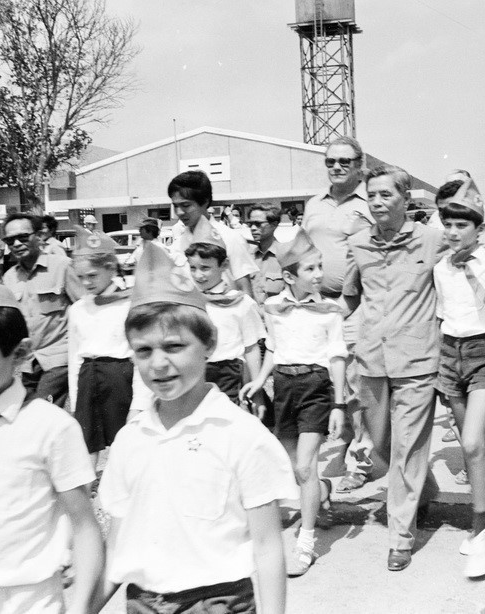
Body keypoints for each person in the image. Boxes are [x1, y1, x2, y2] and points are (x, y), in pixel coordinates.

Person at [97, 241, 297, 614]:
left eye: (174, 346)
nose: (158, 364)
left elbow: (268, 546)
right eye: (144, 351)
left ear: (209, 343)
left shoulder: (241, 434)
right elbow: (118, 547)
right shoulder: (130, 440)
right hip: (143, 601)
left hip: (217, 601)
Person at [0, 267, 102, 614]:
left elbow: (84, 526)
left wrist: (81, 607)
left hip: (30, 601)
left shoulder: (50, 427)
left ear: (19, 354)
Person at [343, 164, 446, 571]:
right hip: (371, 359)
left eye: (386, 194)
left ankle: (400, 536)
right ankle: (424, 491)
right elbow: (351, 295)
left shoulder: (433, 240)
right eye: (371, 195)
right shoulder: (358, 244)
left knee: (408, 447)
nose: (377, 201)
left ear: (406, 198)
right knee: (383, 445)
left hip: (417, 359)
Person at [242, 230, 346, 577]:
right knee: (294, 468)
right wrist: (260, 380)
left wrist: (339, 404)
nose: (319, 274)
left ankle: (306, 542)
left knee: (303, 467)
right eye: (310, 269)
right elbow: (273, 347)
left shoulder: (330, 310)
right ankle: (322, 489)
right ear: (289, 277)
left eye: (320, 267)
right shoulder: (273, 307)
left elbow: (337, 356)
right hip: (285, 386)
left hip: (316, 386)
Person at [432, 178, 485, 577]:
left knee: (475, 442)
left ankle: (481, 530)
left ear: (479, 228)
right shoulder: (441, 267)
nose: (452, 231)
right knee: (468, 447)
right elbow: (442, 316)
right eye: (447, 224)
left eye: (461, 225)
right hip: (451, 355)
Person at [302, 135, 376, 493]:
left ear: (359, 165)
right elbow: (305, 251)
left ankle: (361, 461)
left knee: (357, 386)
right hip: (320, 304)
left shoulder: (369, 202)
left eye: (344, 161)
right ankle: (343, 441)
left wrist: (347, 303)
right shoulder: (313, 204)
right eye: (330, 161)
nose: (336, 167)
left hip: (355, 305)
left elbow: (371, 257)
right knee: (330, 380)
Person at [68, 226, 136, 468]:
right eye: (81, 277)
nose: (86, 282)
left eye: (92, 275)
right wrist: (76, 397)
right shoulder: (77, 309)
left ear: (111, 268)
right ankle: (87, 486)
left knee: (124, 442)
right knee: (86, 443)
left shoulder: (128, 304)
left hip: (119, 379)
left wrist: (139, 402)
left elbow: (137, 354)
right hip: (88, 377)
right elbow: (74, 357)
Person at [2, 213, 82, 407]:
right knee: (24, 411)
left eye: (23, 237)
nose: (17, 244)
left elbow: (84, 307)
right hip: (28, 362)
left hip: (58, 357)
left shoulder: (61, 266)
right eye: (10, 240)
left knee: (42, 408)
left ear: (38, 236)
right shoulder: (10, 277)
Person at [184, 216, 265, 405]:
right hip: (194, 373)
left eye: (205, 268)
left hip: (228, 374)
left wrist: (257, 392)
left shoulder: (240, 303)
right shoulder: (187, 301)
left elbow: (251, 348)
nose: (198, 275)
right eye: (193, 268)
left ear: (224, 265)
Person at [170, 170, 258, 298]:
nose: (179, 212)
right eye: (175, 206)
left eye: (186, 205)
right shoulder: (177, 245)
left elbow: (246, 292)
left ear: (205, 202)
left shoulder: (230, 238)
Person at [248, 202, 285, 304]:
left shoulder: (285, 257)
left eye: (258, 224)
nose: (253, 228)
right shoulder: (247, 257)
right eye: (250, 224)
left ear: (274, 224)